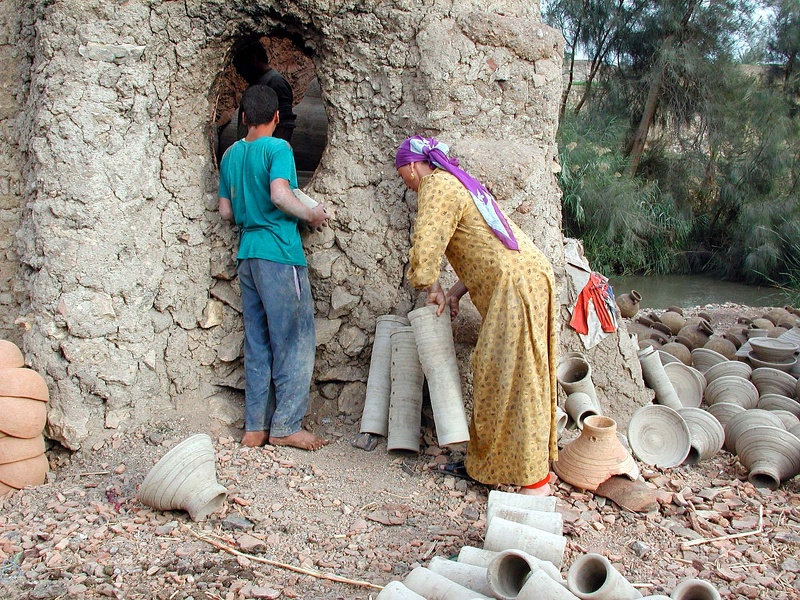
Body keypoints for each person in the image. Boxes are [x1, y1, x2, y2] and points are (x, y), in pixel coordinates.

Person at [395, 135, 558, 496]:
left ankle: (535, 484)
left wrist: (431, 286)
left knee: (513, 377)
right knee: (505, 371)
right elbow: (489, 246)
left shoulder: (436, 185)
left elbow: (426, 249)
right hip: (530, 278)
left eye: (402, 176)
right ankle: (488, 467)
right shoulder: (461, 183)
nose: (405, 184)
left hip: (514, 287)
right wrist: (454, 291)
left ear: (409, 167)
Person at [218, 84, 329, 451]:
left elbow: (226, 211)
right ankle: (285, 426)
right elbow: (281, 195)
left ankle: (255, 428)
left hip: (247, 255)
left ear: (244, 117)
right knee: (295, 339)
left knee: (258, 340)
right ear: (277, 117)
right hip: (280, 254)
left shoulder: (231, 154)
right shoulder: (278, 148)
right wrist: (311, 214)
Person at [232, 38, 297, 142]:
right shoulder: (255, 83)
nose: (239, 72)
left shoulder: (276, 83)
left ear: (253, 59)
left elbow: (285, 126)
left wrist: (272, 153)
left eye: (240, 66)